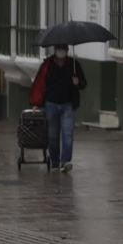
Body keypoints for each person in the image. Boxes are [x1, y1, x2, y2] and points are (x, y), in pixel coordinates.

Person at [30, 45, 87, 173]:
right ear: (55, 50)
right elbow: (40, 84)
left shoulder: (74, 65)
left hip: (68, 105)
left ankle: (65, 162)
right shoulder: (47, 65)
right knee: (53, 136)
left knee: (68, 134)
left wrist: (78, 83)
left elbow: (84, 83)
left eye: (63, 49)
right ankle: (55, 162)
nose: (61, 52)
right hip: (51, 105)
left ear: (67, 51)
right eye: (59, 49)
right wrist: (37, 103)